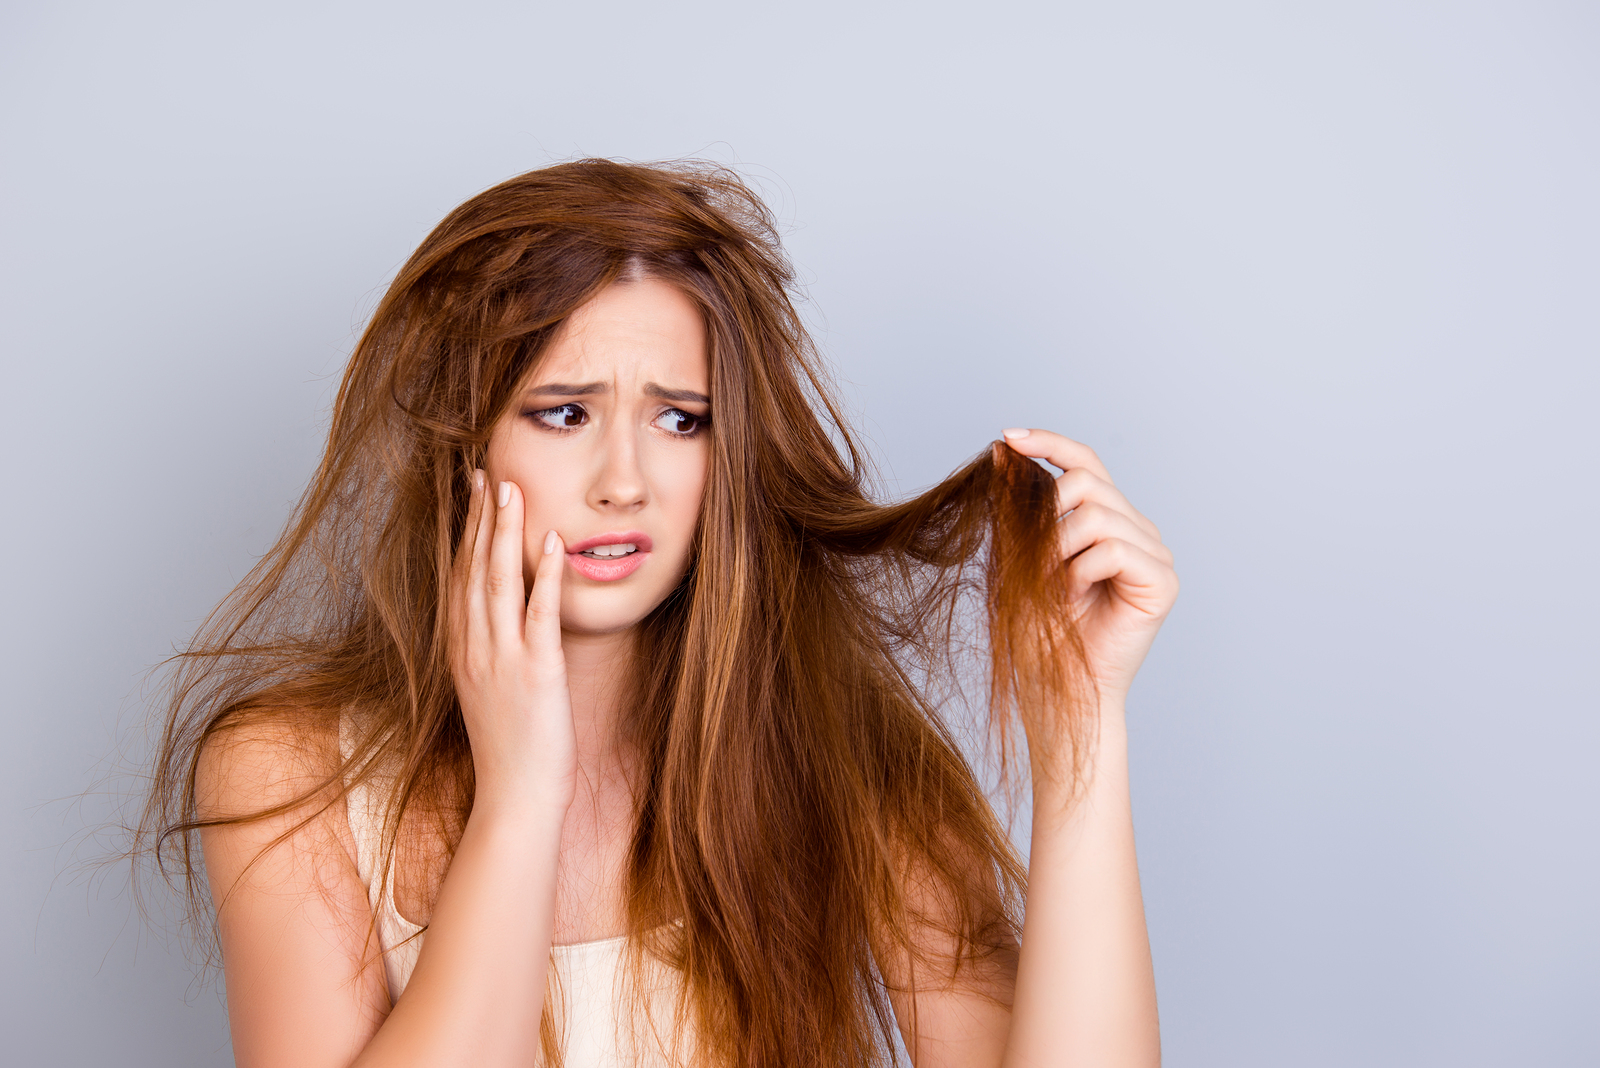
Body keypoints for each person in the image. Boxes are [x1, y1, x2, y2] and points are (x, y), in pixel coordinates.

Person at [141, 158, 1178, 1068]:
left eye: (681, 420)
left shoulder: (842, 757)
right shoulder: (290, 775)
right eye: (564, 413)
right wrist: (520, 792)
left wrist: (1080, 727)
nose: (623, 481)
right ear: (462, 447)